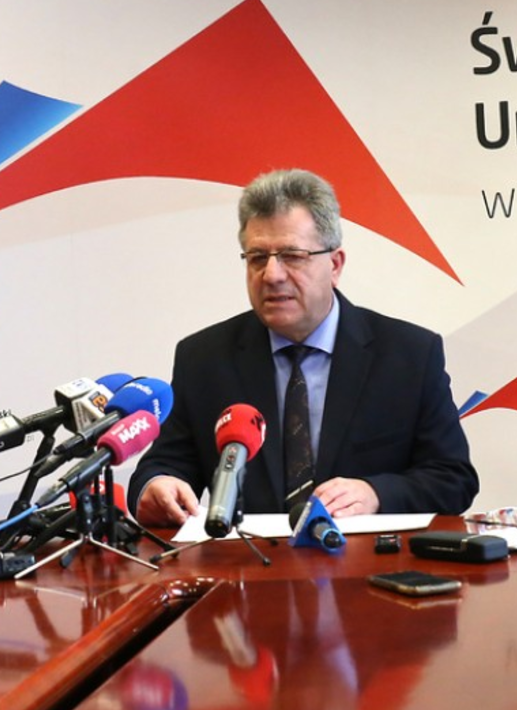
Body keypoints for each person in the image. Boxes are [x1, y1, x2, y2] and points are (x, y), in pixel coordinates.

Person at [129, 169, 478, 526]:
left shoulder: (409, 355)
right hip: (247, 559)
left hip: (365, 559)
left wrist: (376, 493)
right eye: (258, 257)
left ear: (335, 265)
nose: (272, 275)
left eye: (292, 256)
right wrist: (158, 486)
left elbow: (453, 479)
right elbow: (163, 467)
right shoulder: (204, 358)